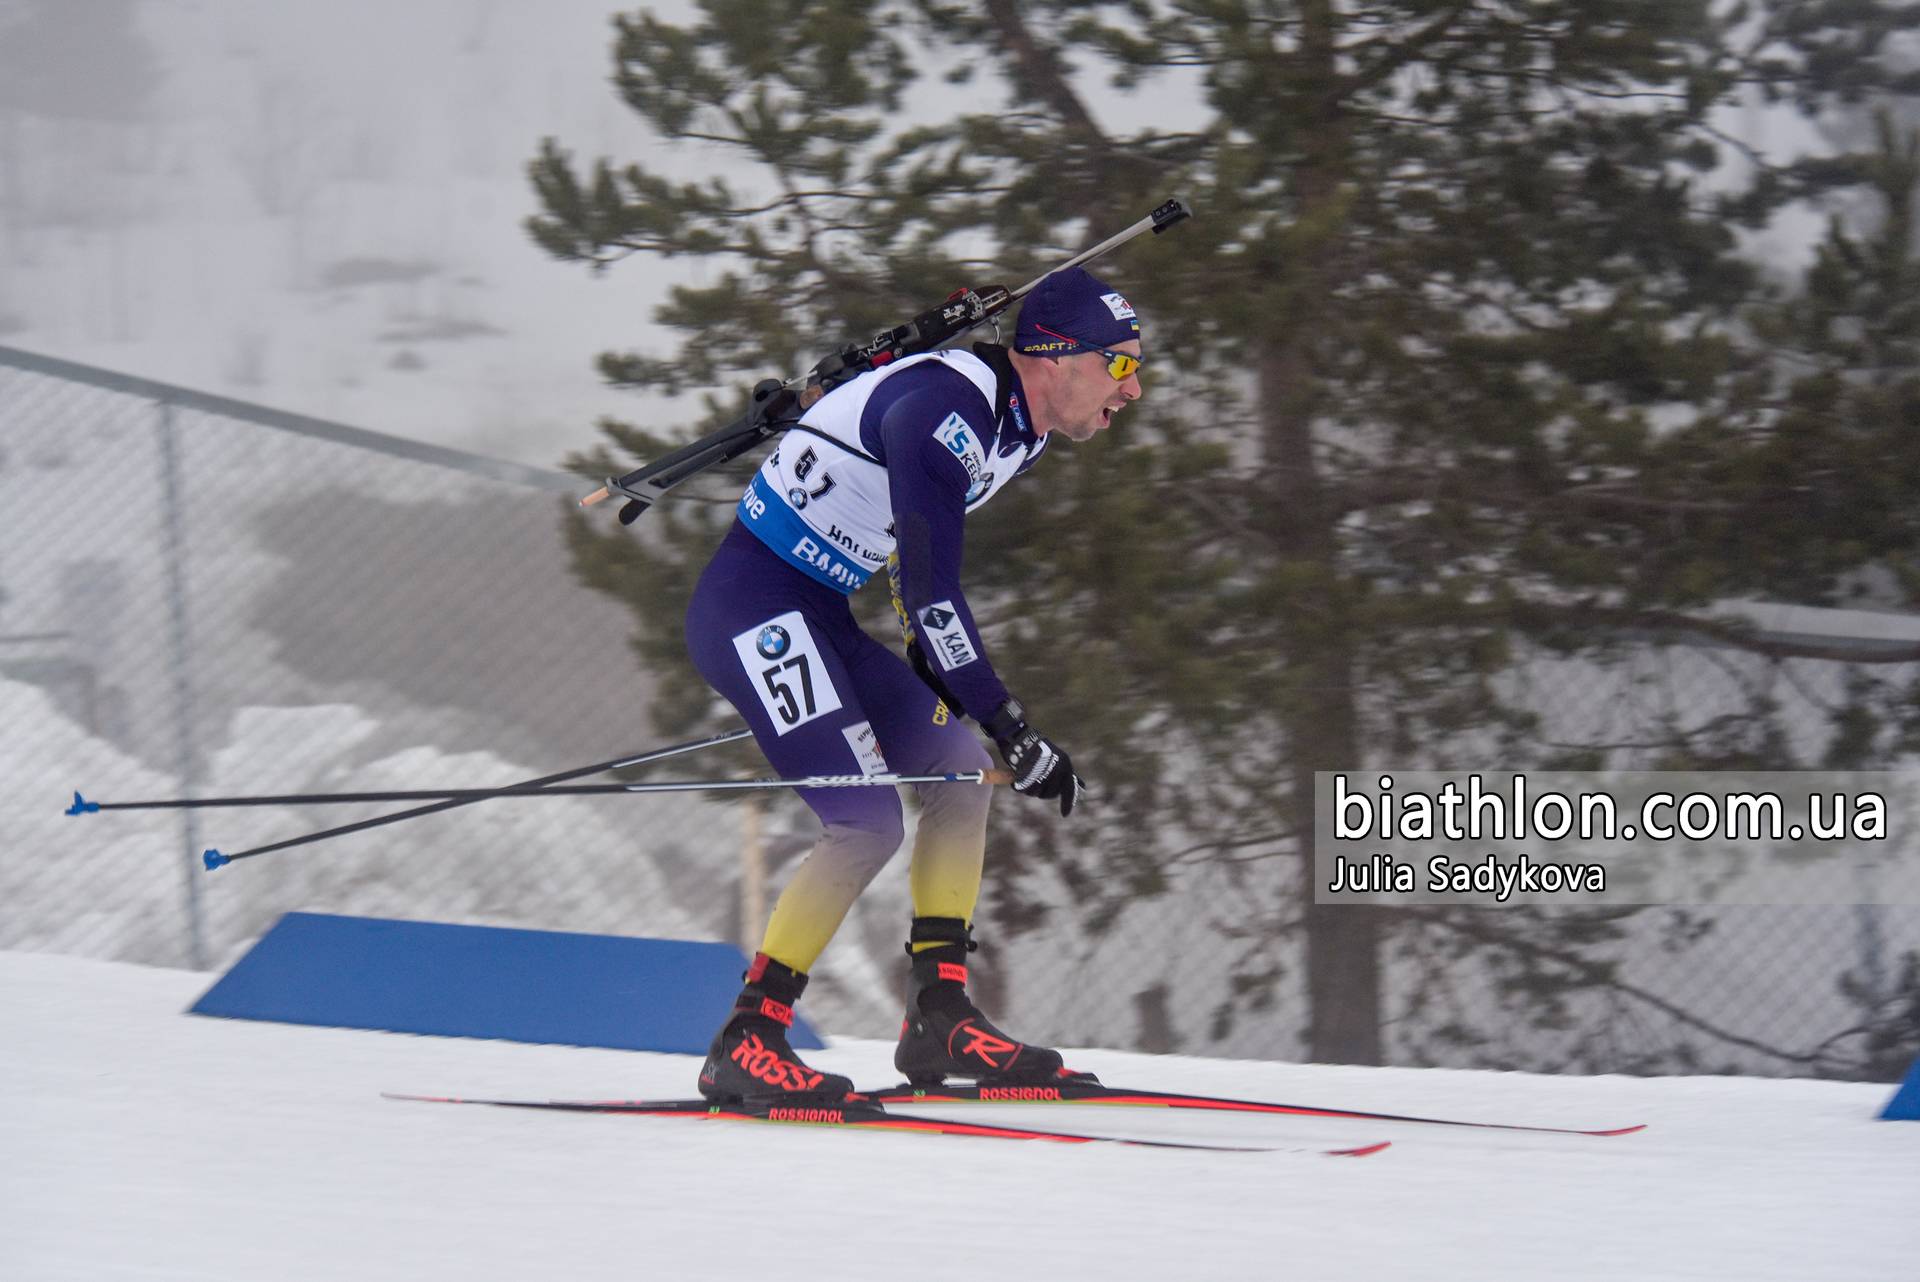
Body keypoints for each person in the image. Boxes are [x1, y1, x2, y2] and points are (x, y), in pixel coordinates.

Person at [683, 265, 1145, 1099]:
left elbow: (911, 583)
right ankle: (748, 1036)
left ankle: (940, 1016)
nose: (1135, 388)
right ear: (1056, 357)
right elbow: (930, 598)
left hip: (819, 612)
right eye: (1120, 364)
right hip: (753, 607)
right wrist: (1016, 726)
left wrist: (989, 726)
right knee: (864, 822)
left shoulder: (1021, 428)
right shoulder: (949, 413)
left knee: (960, 773)